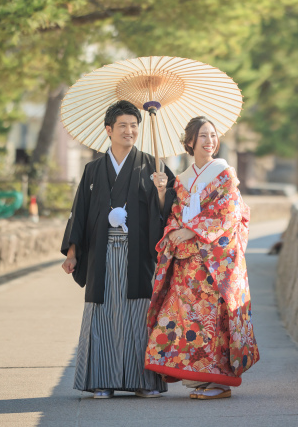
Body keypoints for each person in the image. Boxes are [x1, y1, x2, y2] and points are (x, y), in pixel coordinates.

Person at [60, 100, 176, 399]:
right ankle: (101, 379)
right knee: (103, 312)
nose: (129, 131)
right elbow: (80, 213)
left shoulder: (154, 166)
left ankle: (143, 381)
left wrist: (163, 192)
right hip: (101, 252)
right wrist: (73, 253)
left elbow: (171, 212)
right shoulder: (93, 169)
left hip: (138, 253)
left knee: (138, 313)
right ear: (108, 130)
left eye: (134, 126)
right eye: (122, 125)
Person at [144, 116, 259, 400]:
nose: (210, 141)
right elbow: (173, 214)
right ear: (190, 142)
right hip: (188, 262)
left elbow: (229, 211)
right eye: (203, 136)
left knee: (215, 318)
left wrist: (190, 230)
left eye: (213, 135)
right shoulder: (181, 180)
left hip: (218, 261)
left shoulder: (224, 173)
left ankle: (220, 381)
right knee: (187, 318)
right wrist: (172, 227)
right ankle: (200, 377)